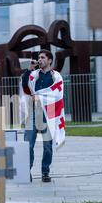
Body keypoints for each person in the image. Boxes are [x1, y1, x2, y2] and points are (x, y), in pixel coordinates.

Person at [21, 49, 65, 183]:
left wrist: (39, 96)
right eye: (39, 58)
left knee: (47, 145)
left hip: (50, 112)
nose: (39, 60)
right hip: (34, 112)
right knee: (28, 144)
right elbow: (25, 87)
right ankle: (26, 171)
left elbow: (57, 94)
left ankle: (45, 172)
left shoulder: (55, 76)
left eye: (42, 57)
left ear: (49, 60)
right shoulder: (34, 74)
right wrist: (29, 69)